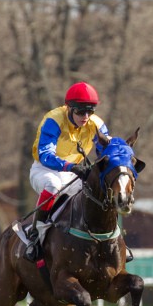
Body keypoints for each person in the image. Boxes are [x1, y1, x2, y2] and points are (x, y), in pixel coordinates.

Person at [25, 81, 111, 262]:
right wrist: (70, 166)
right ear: (69, 108)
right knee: (53, 184)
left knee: (97, 190)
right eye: (80, 111)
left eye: (90, 111)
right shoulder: (53, 120)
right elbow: (45, 154)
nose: (85, 116)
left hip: (74, 173)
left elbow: (107, 152)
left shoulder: (96, 125)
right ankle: (36, 232)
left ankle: (110, 239)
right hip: (45, 169)